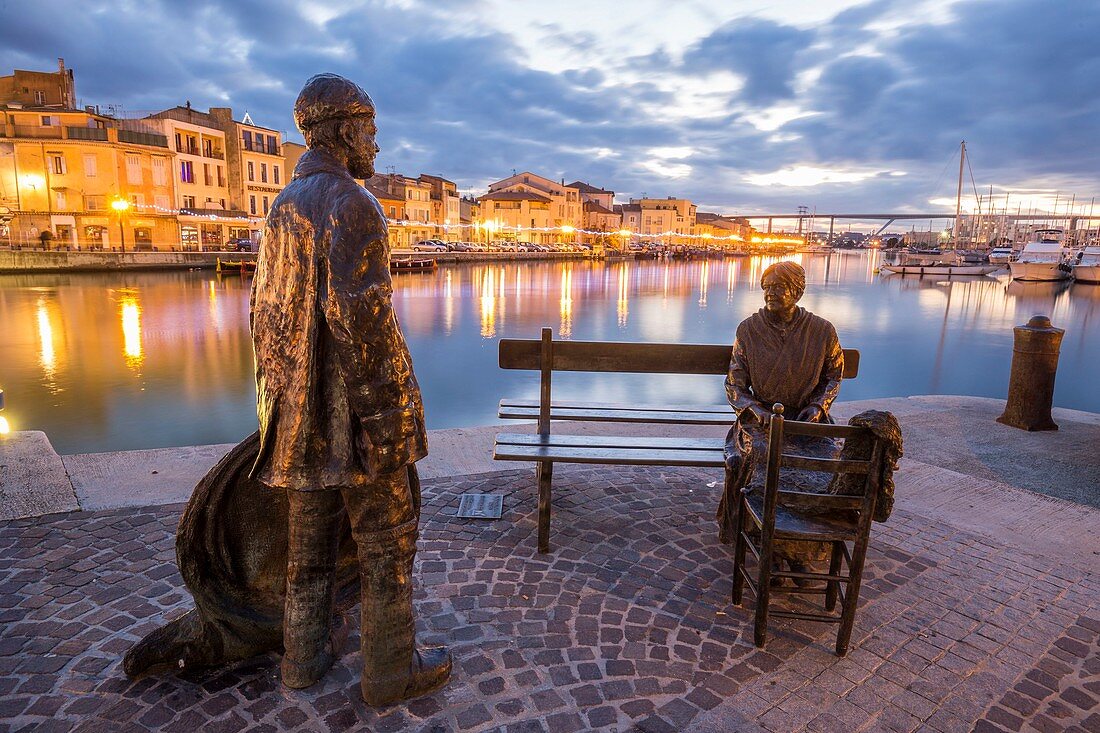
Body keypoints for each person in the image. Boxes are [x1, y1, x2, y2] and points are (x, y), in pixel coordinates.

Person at [250, 73, 450, 705]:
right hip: (356, 420)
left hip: (301, 418)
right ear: (342, 130)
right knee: (387, 543)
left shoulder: (283, 207)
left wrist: (282, 411)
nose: (376, 146)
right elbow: (363, 325)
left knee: (305, 552)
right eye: (370, 130)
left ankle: (301, 662)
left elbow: (267, 319)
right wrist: (390, 417)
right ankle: (391, 670)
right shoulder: (355, 205)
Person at [717, 261, 844, 576]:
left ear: (797, 291)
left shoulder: (822, 330)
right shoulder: (748, 329)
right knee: (756, 459)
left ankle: (806, 540)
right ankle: (764, 537)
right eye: (767, 287)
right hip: (760, 421)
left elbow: (833, 376)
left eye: (779, 287)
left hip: (806, 422)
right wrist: (754, 410)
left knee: (827, 462)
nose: (770, 293)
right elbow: (734, 384)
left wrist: (819, 405)